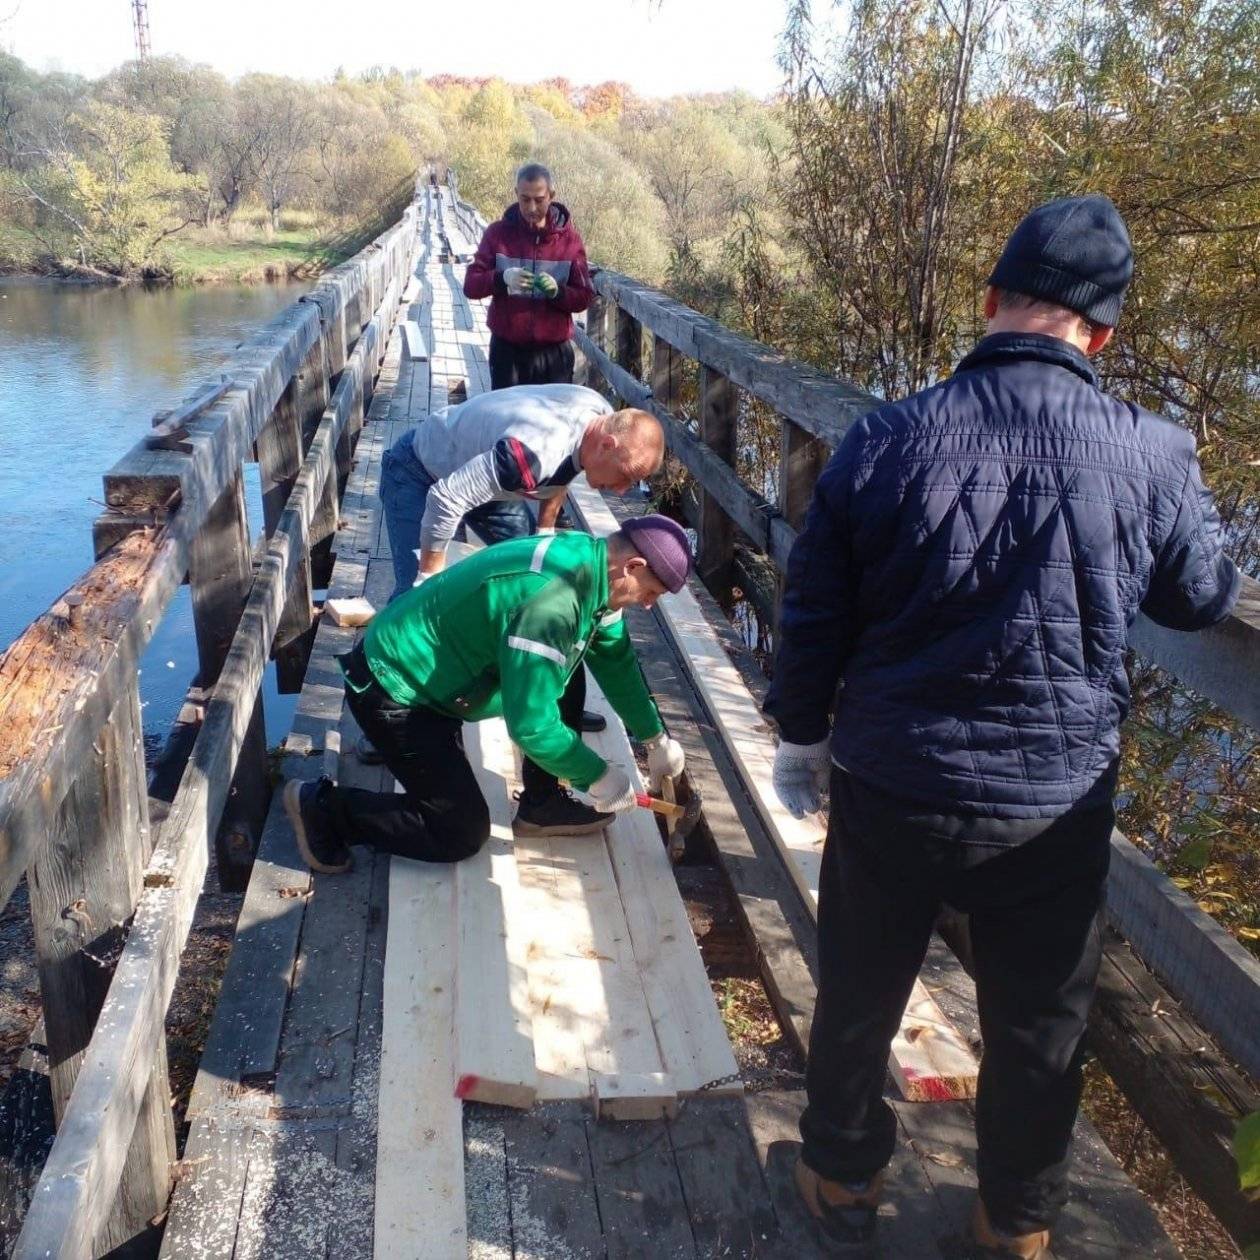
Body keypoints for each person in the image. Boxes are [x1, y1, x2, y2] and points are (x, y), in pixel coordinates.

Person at [765, 195, 1240, 1257]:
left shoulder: (886, 437)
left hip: (896, 781)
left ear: (990, 304)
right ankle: (1014, 1223)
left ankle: (842, 1176)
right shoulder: (1153, 453)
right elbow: (1200, 598)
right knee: (1040, 1025)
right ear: (1103, 336)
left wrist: (802, 740)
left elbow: (815, 613)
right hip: (1052, 803)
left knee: (860, 989)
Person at [284, 518, 690, 868]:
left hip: (435, 675)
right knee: (460, 831)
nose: (650, 605)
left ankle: (543, 803)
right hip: (396, 692)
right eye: (651, 593)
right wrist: (597, 776)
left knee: (568, 670)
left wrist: (654, 737)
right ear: (633, 567)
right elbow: (530, 725)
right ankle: (326, 811)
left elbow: (615, 659)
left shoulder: (590, 563)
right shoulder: (552, 606)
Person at [464, 162, 593, 390]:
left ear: (551, 195)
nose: (532, 207)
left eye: (539, 199)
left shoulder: (570, 241)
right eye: (525, 199)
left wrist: (557, 292)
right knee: (506, 422)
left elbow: (584, 297)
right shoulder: (497, 234)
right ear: (516, 194)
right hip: (507, 352)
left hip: (554, 355)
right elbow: (470, 286)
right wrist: (501, 279)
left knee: (554, 425)